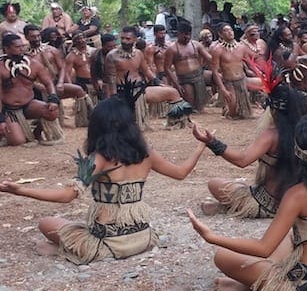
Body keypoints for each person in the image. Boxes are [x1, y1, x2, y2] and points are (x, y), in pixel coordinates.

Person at [0, 87, 206, 264]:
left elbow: (68, 195)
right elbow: (181, 173)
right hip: (144, 239)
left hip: (106, 245)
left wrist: (21, 190)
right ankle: (63, 249)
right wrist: (201, 145)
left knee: (46, 223)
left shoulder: (99, 158)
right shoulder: (146, 153)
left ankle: (65, 250)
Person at [187, 116, 307, 291]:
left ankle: (254, 283)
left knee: (222, 257)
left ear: (298, 153)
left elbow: (264, 249)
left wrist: (212, 237)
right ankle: (249, 284)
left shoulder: (297, 194)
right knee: (288, 236)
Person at [197, 82, 307, 218]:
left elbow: (242, 160)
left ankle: (226, 207)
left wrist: (212, 142)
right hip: (298, 201)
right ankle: (227, 207)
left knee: (214, 184)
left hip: (267, 203)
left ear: (272, 109)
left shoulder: (271, 135)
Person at [0, 33, 61, 146]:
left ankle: (37, 132)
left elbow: (48, 83)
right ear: (6, 48)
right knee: (18, 141)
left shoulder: (33, 64)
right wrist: (1, 119)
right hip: (9, 110)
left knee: (52, 111)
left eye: (22, 46)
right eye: (17, 47)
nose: (21, 49)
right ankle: (5, 132)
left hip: (29, 105)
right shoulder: (1, 68)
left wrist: (53, 98)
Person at [165, 21, 212, 113]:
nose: (187, 37)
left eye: (189, 34)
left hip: (199, 76)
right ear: (178, 34)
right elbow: (167, 68)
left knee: (200, 106)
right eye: (184, 35)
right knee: (189, 105)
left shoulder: (196, 45)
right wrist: (176, 84)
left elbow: (210, 58)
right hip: (184, 79)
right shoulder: (172, 49)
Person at [210, 23, 254, 119]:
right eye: (226, 30)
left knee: (244, 114)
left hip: (242, 80)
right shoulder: (217, 50)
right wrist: (223, 89)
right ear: (220, 34)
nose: (230, 32)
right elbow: (215, 71)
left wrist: (260, 74)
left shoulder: (242, 47)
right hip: (228, 83)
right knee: (233, 114)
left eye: (231, 30)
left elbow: (250, 64)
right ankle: (226, 107)